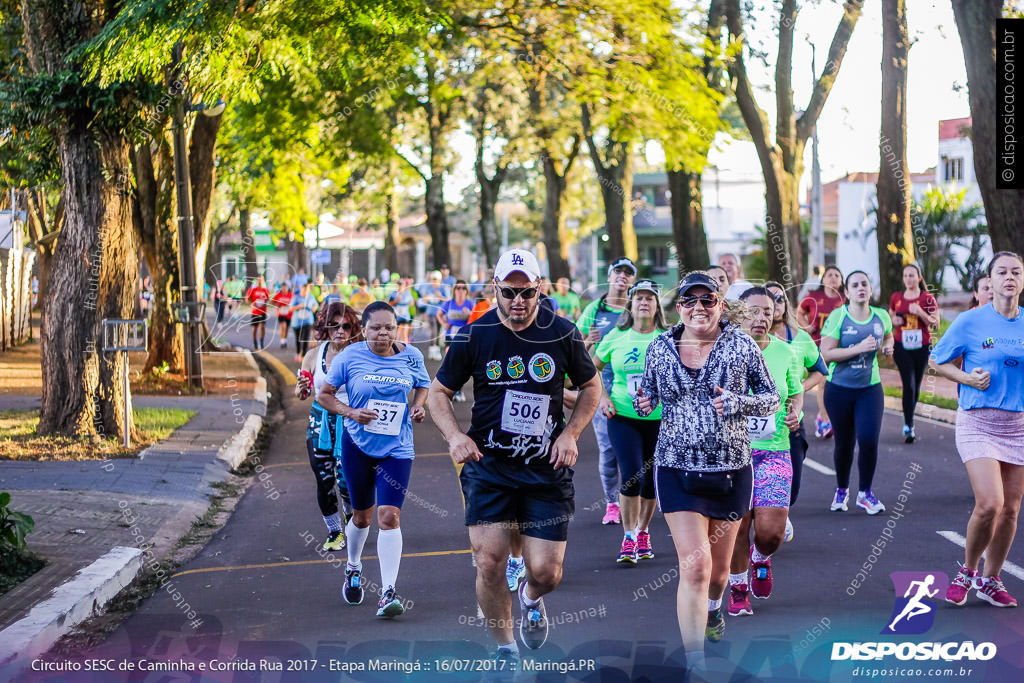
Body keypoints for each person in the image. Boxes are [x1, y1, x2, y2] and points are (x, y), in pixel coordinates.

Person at [427, 248, 600, 659]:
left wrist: (571, 434)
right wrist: (454, 436)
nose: (517, 301)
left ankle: (531, 596)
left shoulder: (562, 332)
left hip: (546, 468)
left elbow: (592, 387)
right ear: (495, 288)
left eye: (526, 292)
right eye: (508, 291)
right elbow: (438, 392)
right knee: (489, 562)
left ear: (540, 288)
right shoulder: (475, 333)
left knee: (547, 572)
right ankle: (506, 650)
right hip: (489, 466)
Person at [634, 272, 779, 670]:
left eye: (708, 299)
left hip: (730, 472)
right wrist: (644, 403)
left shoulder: (741, 345)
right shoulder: (659, 348)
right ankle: (694, 661)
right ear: (678, 307)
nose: (699, 307)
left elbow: (770, 400)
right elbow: (647, 394)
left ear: (719, 304)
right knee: (695, 568)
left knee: (717, 574)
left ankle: (715, 608)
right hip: (676, 470)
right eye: (690, 300)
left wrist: (737, 402)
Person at [317, 301, 431, 617]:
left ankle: (387, 592)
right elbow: (324, 395)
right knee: (363, 517)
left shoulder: (411, 355)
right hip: (358, 445)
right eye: (376, 327)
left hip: (398, 447)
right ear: (364, 330)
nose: (383, 333)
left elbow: (423, 384)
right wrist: (351, 412)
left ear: (397, 328)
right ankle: (353, 567)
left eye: (389, 327)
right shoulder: (349, 357)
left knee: (389, 517)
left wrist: (419, 406)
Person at [931, 251, 1024, 609]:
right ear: (992, 279)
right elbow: (937, 359)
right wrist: (967, 377)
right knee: (991, 503)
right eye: (1002, 271)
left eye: (1016, 271)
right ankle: (967, 571)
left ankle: (991, 579)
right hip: (978, 421)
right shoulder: (972, 321)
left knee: (1011, 510)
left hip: (1017, 425)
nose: (1009, 277)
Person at [727, 287, 803, 617]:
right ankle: (739, 587)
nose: (761, 317)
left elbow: (796, 393)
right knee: (738, 527)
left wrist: (795, 413)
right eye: (754, 311)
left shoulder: (786, 352)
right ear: (739, 314)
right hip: (732, 454)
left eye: (767, 311)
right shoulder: (723, 351)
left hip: (774, 451)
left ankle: (761, 557)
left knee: (770, 533)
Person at [593, 280, 667, 565]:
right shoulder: (616, 336)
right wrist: (603, 398)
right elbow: (592, 368)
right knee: (633, 473)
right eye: (639, 298)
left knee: (651, 482)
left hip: (659, 420)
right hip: (623, 416)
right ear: (631, 304)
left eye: (650, 298)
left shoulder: (667, 338)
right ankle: (628, 537)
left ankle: (643, 531)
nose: (644, 302)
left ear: (657, 305)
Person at [819, 270, 894, 515]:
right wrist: (858, 348)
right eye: (855, 285)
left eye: (865, 284)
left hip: (869, 389)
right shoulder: (838, 317)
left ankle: (865, 493)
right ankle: (842, 490)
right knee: (844, 443)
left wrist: (888, 347)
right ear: (847, 292)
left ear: (870, 290)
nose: (861, 288)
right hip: (839, 389)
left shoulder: (882, 316)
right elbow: (826, 354)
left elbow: (889, 336)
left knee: (869, 440)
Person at [764, 281, 828, 542]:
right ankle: (763, 523)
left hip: (791, 421)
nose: (775, 304)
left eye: (779, 299)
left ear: (785, 304)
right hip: (756, 426)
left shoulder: (799, 337)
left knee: (793, 484)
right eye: (769, 300)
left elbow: (820, 370)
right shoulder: (750, 338)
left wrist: (798, 389)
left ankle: (779, 511)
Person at [296, 302, 360, 551]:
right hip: (319, 421)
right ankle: (335, 532)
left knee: (346, 480)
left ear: (352, 328)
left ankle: (350, 518)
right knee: (323, 478)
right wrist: (301, 389)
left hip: (349, 421)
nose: (340, 331)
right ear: (326, 327)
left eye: (345, 326)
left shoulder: (360, 353)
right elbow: (302, 390)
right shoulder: (313, 355)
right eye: (334, 326)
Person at [577, 257, 637, 526]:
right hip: (602, 389)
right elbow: (575, 346)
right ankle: (612, 503)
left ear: (632, 280)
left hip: (634, 391)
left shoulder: (636, 308)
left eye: (628, 273)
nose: (622, 276)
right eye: (618, 272)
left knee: (635, 451)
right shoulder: (595, 309)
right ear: (610, 276)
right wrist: (588, 342)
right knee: (609, 449)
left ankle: (633, 499)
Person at [889, 264, 940, 443]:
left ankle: (909, 418)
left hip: (921, 346)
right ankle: (908, 424)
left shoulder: (927, 298)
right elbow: (891, 318)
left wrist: (920, 313)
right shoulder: (896, 297)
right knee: (908, 384)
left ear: (919, 278)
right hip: (901, 346)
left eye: (912, 275)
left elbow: (936, 324)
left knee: (916, 386)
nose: (908, 279)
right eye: (905, 276)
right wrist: (894, 320)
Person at [798, 265, 846, 439]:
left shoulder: (845, 299)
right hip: (817, 347)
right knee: (823, 382)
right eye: (829, 275)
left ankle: (831, 416)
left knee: (837, 384)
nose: (833, 278)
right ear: (823, 279)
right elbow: (800, 312)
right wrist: (806, 325)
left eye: (837, 275)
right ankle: (824, 418)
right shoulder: (813, 296)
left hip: (840, 348)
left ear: (841, 281)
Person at [418, 271, 449, 360]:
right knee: (434, 330)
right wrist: (426, 298)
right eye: (433, 279)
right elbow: (424, 299)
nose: (434, 281)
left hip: (440, 313)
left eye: (436, 280)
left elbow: (448, 300)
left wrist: (440, 297)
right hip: (430, 312)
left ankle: (435, 349)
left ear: (439, 280)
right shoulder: (428, 287)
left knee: (438, 331)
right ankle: (433, 350)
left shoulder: (443, 288)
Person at [438, 280, 474, 354]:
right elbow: (439, 314)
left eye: (463, 288)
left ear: (466, 291)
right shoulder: (448, 303)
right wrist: (444, 324)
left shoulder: (470, 304)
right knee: (449, 353)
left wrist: (470, 313)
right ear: (454, 290)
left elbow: (476, 318)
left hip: (465, 333)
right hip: (450, 332)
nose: (461, 290)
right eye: (458, 288)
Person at [290, 282, 319, 362]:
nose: (305, 292)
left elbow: (316, 305)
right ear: (301, 290)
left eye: (306, 291)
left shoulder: (311, 297)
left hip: (307, 321)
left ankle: (303, 355)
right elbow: (290, 309)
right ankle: (298, 352)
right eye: (303, 290)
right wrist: (299, 306)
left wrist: (314, 308)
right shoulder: (296, 297)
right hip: (297, 322)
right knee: (298, 338)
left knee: (305, 338)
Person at [246, 275, 271, 350]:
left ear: (263, 281)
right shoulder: (252, 289)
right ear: (257, 280)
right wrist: (252, 303)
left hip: (263, 311)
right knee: (255, 328)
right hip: (255, 312)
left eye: (261, 279)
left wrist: (265, 303)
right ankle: (255, 342)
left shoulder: (265, 290)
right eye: (258, 279)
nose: (260, 281)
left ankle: (261, 342)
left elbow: (269, 299)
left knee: (262, 327)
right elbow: (247, 299)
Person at [388, 278, 415, 343]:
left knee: (404, 334)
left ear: (404, 286)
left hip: (404, 317)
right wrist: (395, 301)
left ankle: (405, 349)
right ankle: (395, 350)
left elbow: (412, 303)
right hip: (395, 317)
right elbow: (388, 304)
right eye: (398, 285)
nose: (399, 287)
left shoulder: (407, 293)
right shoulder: (393, 294)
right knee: (395, 336)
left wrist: (405, 303)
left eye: (401, 285)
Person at [272, 282, 293, 348]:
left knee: (287, 328)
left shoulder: (291, 295)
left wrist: (291, 306)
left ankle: (284, 339)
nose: (284, 289)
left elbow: (295, 302)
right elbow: (273, 301)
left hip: (289, 314)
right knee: (283, 326)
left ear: (288, 288)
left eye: (285, 287)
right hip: (281, 313)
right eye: (283, 287)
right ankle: (282, 341)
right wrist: (277, 305)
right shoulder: (278, 295)